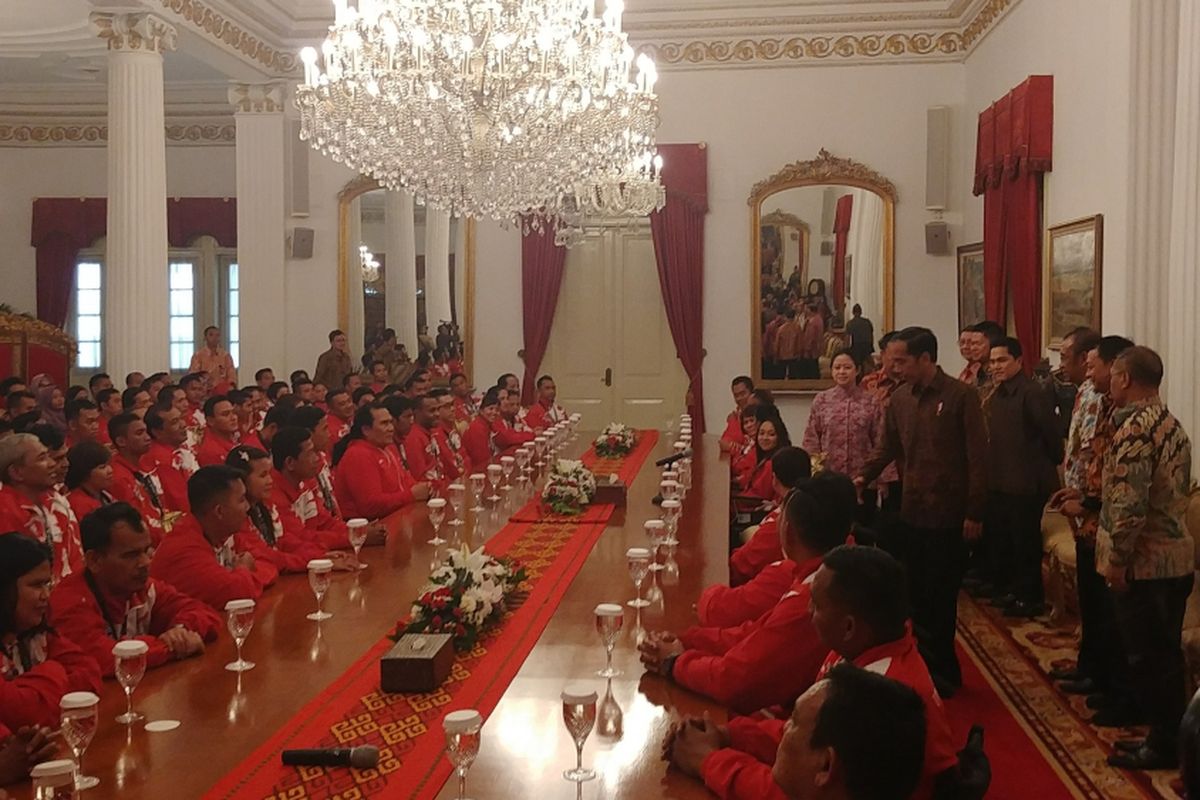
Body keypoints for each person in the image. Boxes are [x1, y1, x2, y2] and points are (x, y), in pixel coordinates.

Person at [675, 546, 960, 800]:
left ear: (849, 626)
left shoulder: (876, 695)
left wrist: (708, 760)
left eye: (817, 605)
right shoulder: (862, 647)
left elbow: (791, 787)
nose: (808, 610)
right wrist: (729, 735)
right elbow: (807, 732)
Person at [638, 474, 856, 714]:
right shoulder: (827, 572)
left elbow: (735, 681)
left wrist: (674, 663)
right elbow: (754, 633)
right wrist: (688, 640)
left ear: (789, 533)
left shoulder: (814, 596)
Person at [857, 327, 987, 695]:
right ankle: (921, 671)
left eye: (900, 360)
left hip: (950, 515)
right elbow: (886, 448)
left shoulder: (961, 396)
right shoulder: (900, 399)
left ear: (926, 359)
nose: (892, 367)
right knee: (914, 597)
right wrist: (861, 477)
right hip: (911, 512)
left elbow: (978, 460)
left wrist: (974, 512)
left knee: (942, 597)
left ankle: (945, 674)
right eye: (889, 360)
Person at [1094, 346, 1194, 770]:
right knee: (1164, 655)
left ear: (1125, 379)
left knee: (1149, 658)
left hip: (1146, 562)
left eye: (1115, 374)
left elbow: (1128, 504)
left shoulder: (1135, 431)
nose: (1112, 381)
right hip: (1175, 560)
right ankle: (1171, 734)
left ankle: (1165, 742)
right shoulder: (1172, 425)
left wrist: (1117, 559)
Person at [1047, 335, 1132, 709]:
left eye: (1092, 362)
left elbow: (1115, 475)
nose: (1087, 368)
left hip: (1100, 517)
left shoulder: (1119, 409)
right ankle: (1090, 668)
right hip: (1081, 510)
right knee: (1089, 599)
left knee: (1103, 606)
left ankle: (1109, 682)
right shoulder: (1085, 392)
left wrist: (1088, 503)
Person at [49, 503, 219, 678]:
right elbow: (105, 660)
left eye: (146, 551)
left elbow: (205, 613)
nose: (145, 562)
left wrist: (181, 631)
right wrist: (170, 646)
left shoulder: (142, 588)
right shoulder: (69, 601)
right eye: (131, 555)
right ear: (94, 561)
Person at [977, 337, 1062, 619]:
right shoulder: (997, 393)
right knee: (1006, 540)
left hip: (1027, 482)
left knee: (1025, 542)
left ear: (1018, 361)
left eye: (1002, 360)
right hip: (1001, 479)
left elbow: (1051, 437)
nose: (996, 367)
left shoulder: (1031, 393)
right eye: (992, 362)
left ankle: (1030, 597)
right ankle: (1012, 589)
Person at [0, 534, 101, 731]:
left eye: (47, 584)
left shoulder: (34, 634)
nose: (46, 596)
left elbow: (90, 673)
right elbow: (25, 713)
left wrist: (39, 695)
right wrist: (53, 670)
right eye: (36, 585)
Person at [706, 448, 815, 625]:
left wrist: (709, 595)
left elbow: (740, 568)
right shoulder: (807, 511)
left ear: (774, 479)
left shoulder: (783, 531)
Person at [150, 466, 277, 609]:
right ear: (219, 511)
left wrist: (241, 576)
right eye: (241, 500)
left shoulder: (223, 532)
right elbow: (239, 594)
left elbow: (269, 564)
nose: (248, 507)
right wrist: (244, 569)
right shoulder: (184, 548)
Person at [225, 446, 354, 574]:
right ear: (241, 481)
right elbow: (267, 557)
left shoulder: (264, 505)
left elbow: (283, 541)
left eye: (270, 473)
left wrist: (320, 556)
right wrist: (313, 562)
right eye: (263, 475)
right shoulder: (237, 518)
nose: (270, 480)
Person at [270, 426, 384, 552]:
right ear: (290, 463)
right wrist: (353, 537)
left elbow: (326, 523)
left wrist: (358, 530)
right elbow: (300, 538)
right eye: (310, 453)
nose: (317, 458)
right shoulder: (273, 495)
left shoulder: (305, 482)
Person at [802, 350, 881, 520]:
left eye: (847, 367)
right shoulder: (821, 400)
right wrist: (816, 472)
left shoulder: (871, 401)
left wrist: (883, 480)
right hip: (829, 479)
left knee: (863, 529)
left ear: (857, 370)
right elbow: (811, 438)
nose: (841, 372)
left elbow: (880, 440)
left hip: (863, 479)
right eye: (837, 368)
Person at [0, 433, 83, 580]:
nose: (52, 464)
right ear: (16, 472)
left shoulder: (57, 500)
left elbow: (76, 559)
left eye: (48, 456)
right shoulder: (4, 511)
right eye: (42, 458)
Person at [332, 403, 431, 519]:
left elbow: (408, 484)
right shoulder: (358, 454)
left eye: (390, 422)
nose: (391, 428)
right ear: (366, 430)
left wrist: (425, 488)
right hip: (372, 528)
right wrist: (411, 495)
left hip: (399, 518)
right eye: (384, 424)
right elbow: (370, 506)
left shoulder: (386, 448)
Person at [107, 413, 166, 544]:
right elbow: (134, 522)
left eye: (146, 431)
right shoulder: (118, 477)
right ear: (121, 441)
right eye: (139, 433)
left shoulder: (142, 464)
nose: (147, 437)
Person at [143, 405, 196, 514]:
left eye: (181, 418)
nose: (183, 424)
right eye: (175, 422)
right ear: (157, 432)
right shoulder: (161, 461)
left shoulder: (178, 449)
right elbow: (181, 504)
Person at [738, 408, 791, 503]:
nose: (765, 438)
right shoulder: (762, 458)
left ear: (779, 437)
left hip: (753, 508)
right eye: (761, 433)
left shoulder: (771, 464)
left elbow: (759, 496)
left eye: (771, 434)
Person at [64, 440, 115, 522]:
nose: (110, 470)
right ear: (84, 472)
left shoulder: (104, 494)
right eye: (102, 467)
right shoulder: (78, 503)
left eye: (108, 465)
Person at [189, 325, 237, 393]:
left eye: (217, 335)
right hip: (203, 390)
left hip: (222, 390)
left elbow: (231, 373)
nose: (215, 338)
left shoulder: (225, 355)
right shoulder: (198, 355)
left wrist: (230, 385)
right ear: (205, 337)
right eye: (211, 335)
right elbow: (193, 374)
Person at [196, 396, 240, 467]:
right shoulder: (210, 452)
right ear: (210, 421)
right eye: (225, 414)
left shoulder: (235, 437)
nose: (233, 418)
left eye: (234, 412)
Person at [463, 388, 501, 469]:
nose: (494, 412)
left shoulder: (489, 425)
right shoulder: (477, 428)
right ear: (481, 410)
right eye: (491, 408)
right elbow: (481, 460)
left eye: (497, 409)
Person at [720, 377, 755, 454]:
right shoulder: (736, 417)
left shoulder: (761, 415)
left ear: (752, 393)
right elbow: (724, 442)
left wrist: (739, 448)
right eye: (736, 395)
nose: (739, 398)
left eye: (743, 394)